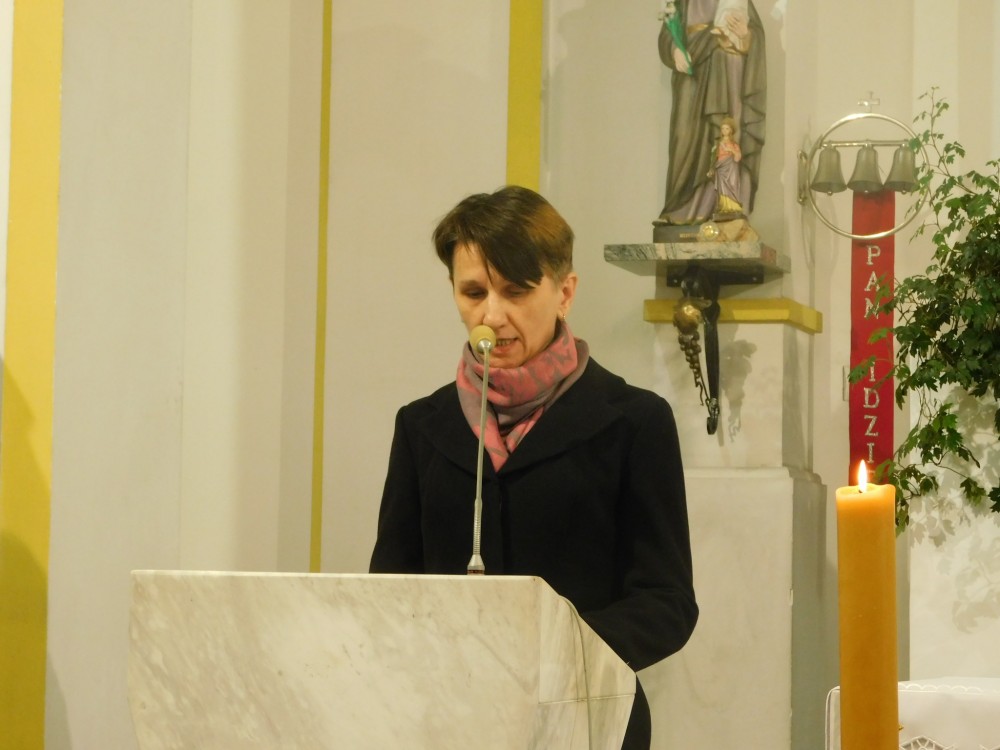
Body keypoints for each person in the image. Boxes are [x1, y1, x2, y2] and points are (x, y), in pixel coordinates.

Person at [370, 185, 699, 749]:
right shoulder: (421, 426)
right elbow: (389, 590)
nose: (491, 315)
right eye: (473, 292)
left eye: (516, 291)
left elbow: (666, 603)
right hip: (451, 718)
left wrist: (549, 654)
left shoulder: (634, 421)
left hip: (587, 718)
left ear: (564, 292)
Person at [655, 0, 766, 226]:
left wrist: (745, 35)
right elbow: (668, 31)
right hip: (692, 71)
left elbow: (755, 35)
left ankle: (726, 208)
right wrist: (674, 50)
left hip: (728, 71)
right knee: (684, 137)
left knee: (726, 139)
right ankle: (681, 209)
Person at [709, 116, 744, 217]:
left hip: (731, 169)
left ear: (731, 130)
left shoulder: (734, 144)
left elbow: (737, 158)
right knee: (722, 187)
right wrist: (712, 168)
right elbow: (714, 157)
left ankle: (733, 207)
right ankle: (724, 208)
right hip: (721, 169)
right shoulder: (718, 144)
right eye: (723, 128)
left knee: (731, 186)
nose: (724, 131)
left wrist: (731, 150)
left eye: (727, 128)